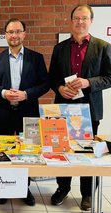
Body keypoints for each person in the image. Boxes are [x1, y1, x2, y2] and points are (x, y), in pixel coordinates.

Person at [49, 4, 111, 211]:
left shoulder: (103, 46)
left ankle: (86, 194)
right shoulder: (60, 48)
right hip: (63, 109)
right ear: (71, 21)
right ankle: (62, 188)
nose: (80, 22)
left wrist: (89, 83)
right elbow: (52, 77)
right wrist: (59, 87)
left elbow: (109, 77)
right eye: (76, 18)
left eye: (84, 18)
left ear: (91, 21)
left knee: (87, 154)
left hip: (89, 110)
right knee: (62, 150)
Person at [0, 18, 49, 206]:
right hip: (3, 113)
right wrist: (4, 93)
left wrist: (26, 94)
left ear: (24, 34)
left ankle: (24, 188)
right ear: (5, 35)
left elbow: (45, 84)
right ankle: (3, 187)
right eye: (10, 32)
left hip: (28, 114)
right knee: (2, 151)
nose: (14, 35)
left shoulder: (36, 58)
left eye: (18, 31)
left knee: (27, 152)